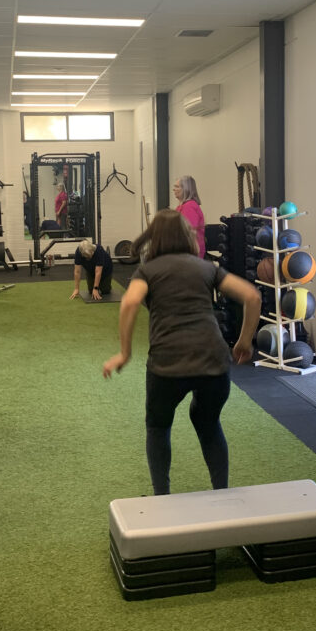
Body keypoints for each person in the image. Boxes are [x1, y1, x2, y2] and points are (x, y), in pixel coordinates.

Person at [102, 208, 261, 496]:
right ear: (187, 235)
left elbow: (129, 303)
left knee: (158, 427)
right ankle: (222, 493)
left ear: (155, 239)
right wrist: (244, 342)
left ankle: (162, 497)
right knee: (207, 421)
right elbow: (252, 295)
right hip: (213, 361)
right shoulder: (205, 267)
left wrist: (124, 353)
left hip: (167, 365)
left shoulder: (147, 271)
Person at [173, 174, 205, 258]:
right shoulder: (181, 207)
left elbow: (189, 233)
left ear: (185, 189)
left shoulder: (189, 207)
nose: (174, 189)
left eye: (177, 187)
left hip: (190, 254)